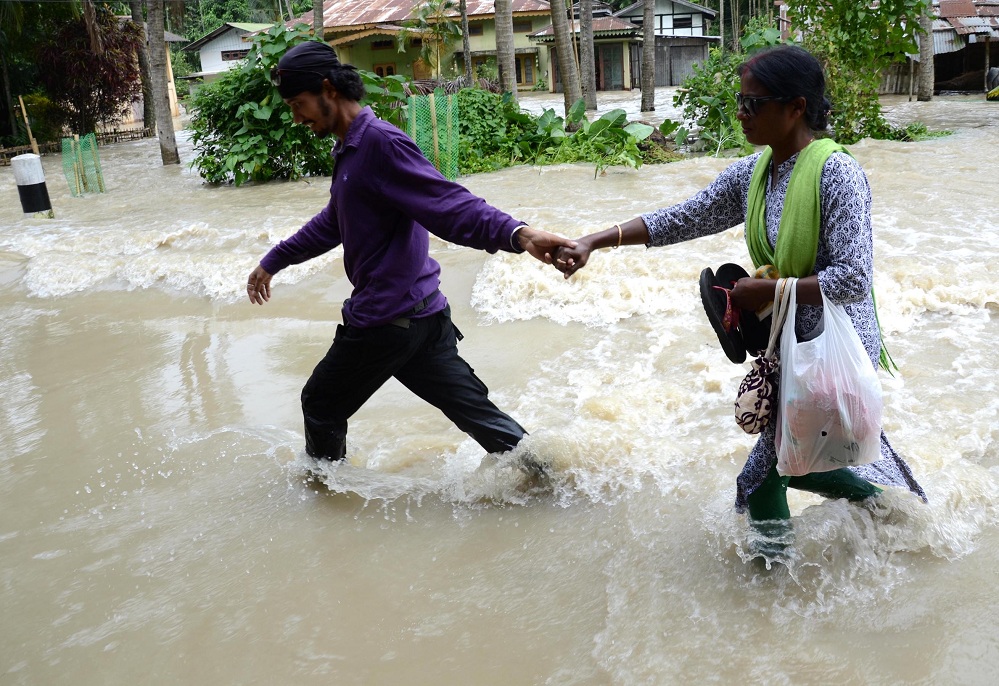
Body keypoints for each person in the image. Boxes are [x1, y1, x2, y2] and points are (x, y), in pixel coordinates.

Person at [549, 45, 926, 552]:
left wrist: (766, 290)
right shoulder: (758, 172)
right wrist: (595, 239)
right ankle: (893, 512)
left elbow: (854, 278)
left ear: (795, 107)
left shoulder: (837, 174)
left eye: (754, 104)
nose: (741, 114)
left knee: (763, 480)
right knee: (795, 465)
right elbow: (686, 216)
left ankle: (775, 586)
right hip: (791, 346)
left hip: (833, 353)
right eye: (740, 101)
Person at [247, 41, 575, 468]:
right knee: (481, 419)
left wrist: (518, 234)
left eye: (298, 103)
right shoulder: (351, 148)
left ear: (328, 89)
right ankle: (555, 480)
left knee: (321, 403)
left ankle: (326, 506)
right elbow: (335, 220)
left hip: (385, 323)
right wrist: (274, 260)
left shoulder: (380, 145)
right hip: (422, 318)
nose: (296, 116)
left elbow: (449, 204)